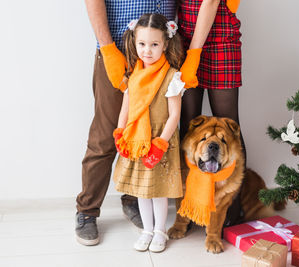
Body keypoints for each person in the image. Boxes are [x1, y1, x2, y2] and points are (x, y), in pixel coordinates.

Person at [75, 0, 177, 246]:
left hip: (159, 51)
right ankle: (87, 210)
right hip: (119, 49)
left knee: (151, 130)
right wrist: (108, 49)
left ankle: (135, 199)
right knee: (106, 133)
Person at [108, 13, 184, 252]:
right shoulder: (133, 76)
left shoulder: (172, 76)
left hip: (160, 142)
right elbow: (126, 109)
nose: (147, 51)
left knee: (158, 191)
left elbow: (174, 115)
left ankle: (160, 231)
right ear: (134, 42)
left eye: (154, 45)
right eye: (142, 44)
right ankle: (147, 230)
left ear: (165, 44)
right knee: (143, 190)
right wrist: (120, 133)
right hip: (137, 141)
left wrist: (161, 143)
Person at [178, 0, 246, 227]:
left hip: (221, 39)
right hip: (185, 37)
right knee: (189, 128)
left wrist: (194, 54)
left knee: (230, 128)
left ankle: (233, 211)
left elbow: (210, 3)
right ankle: (189, 208)